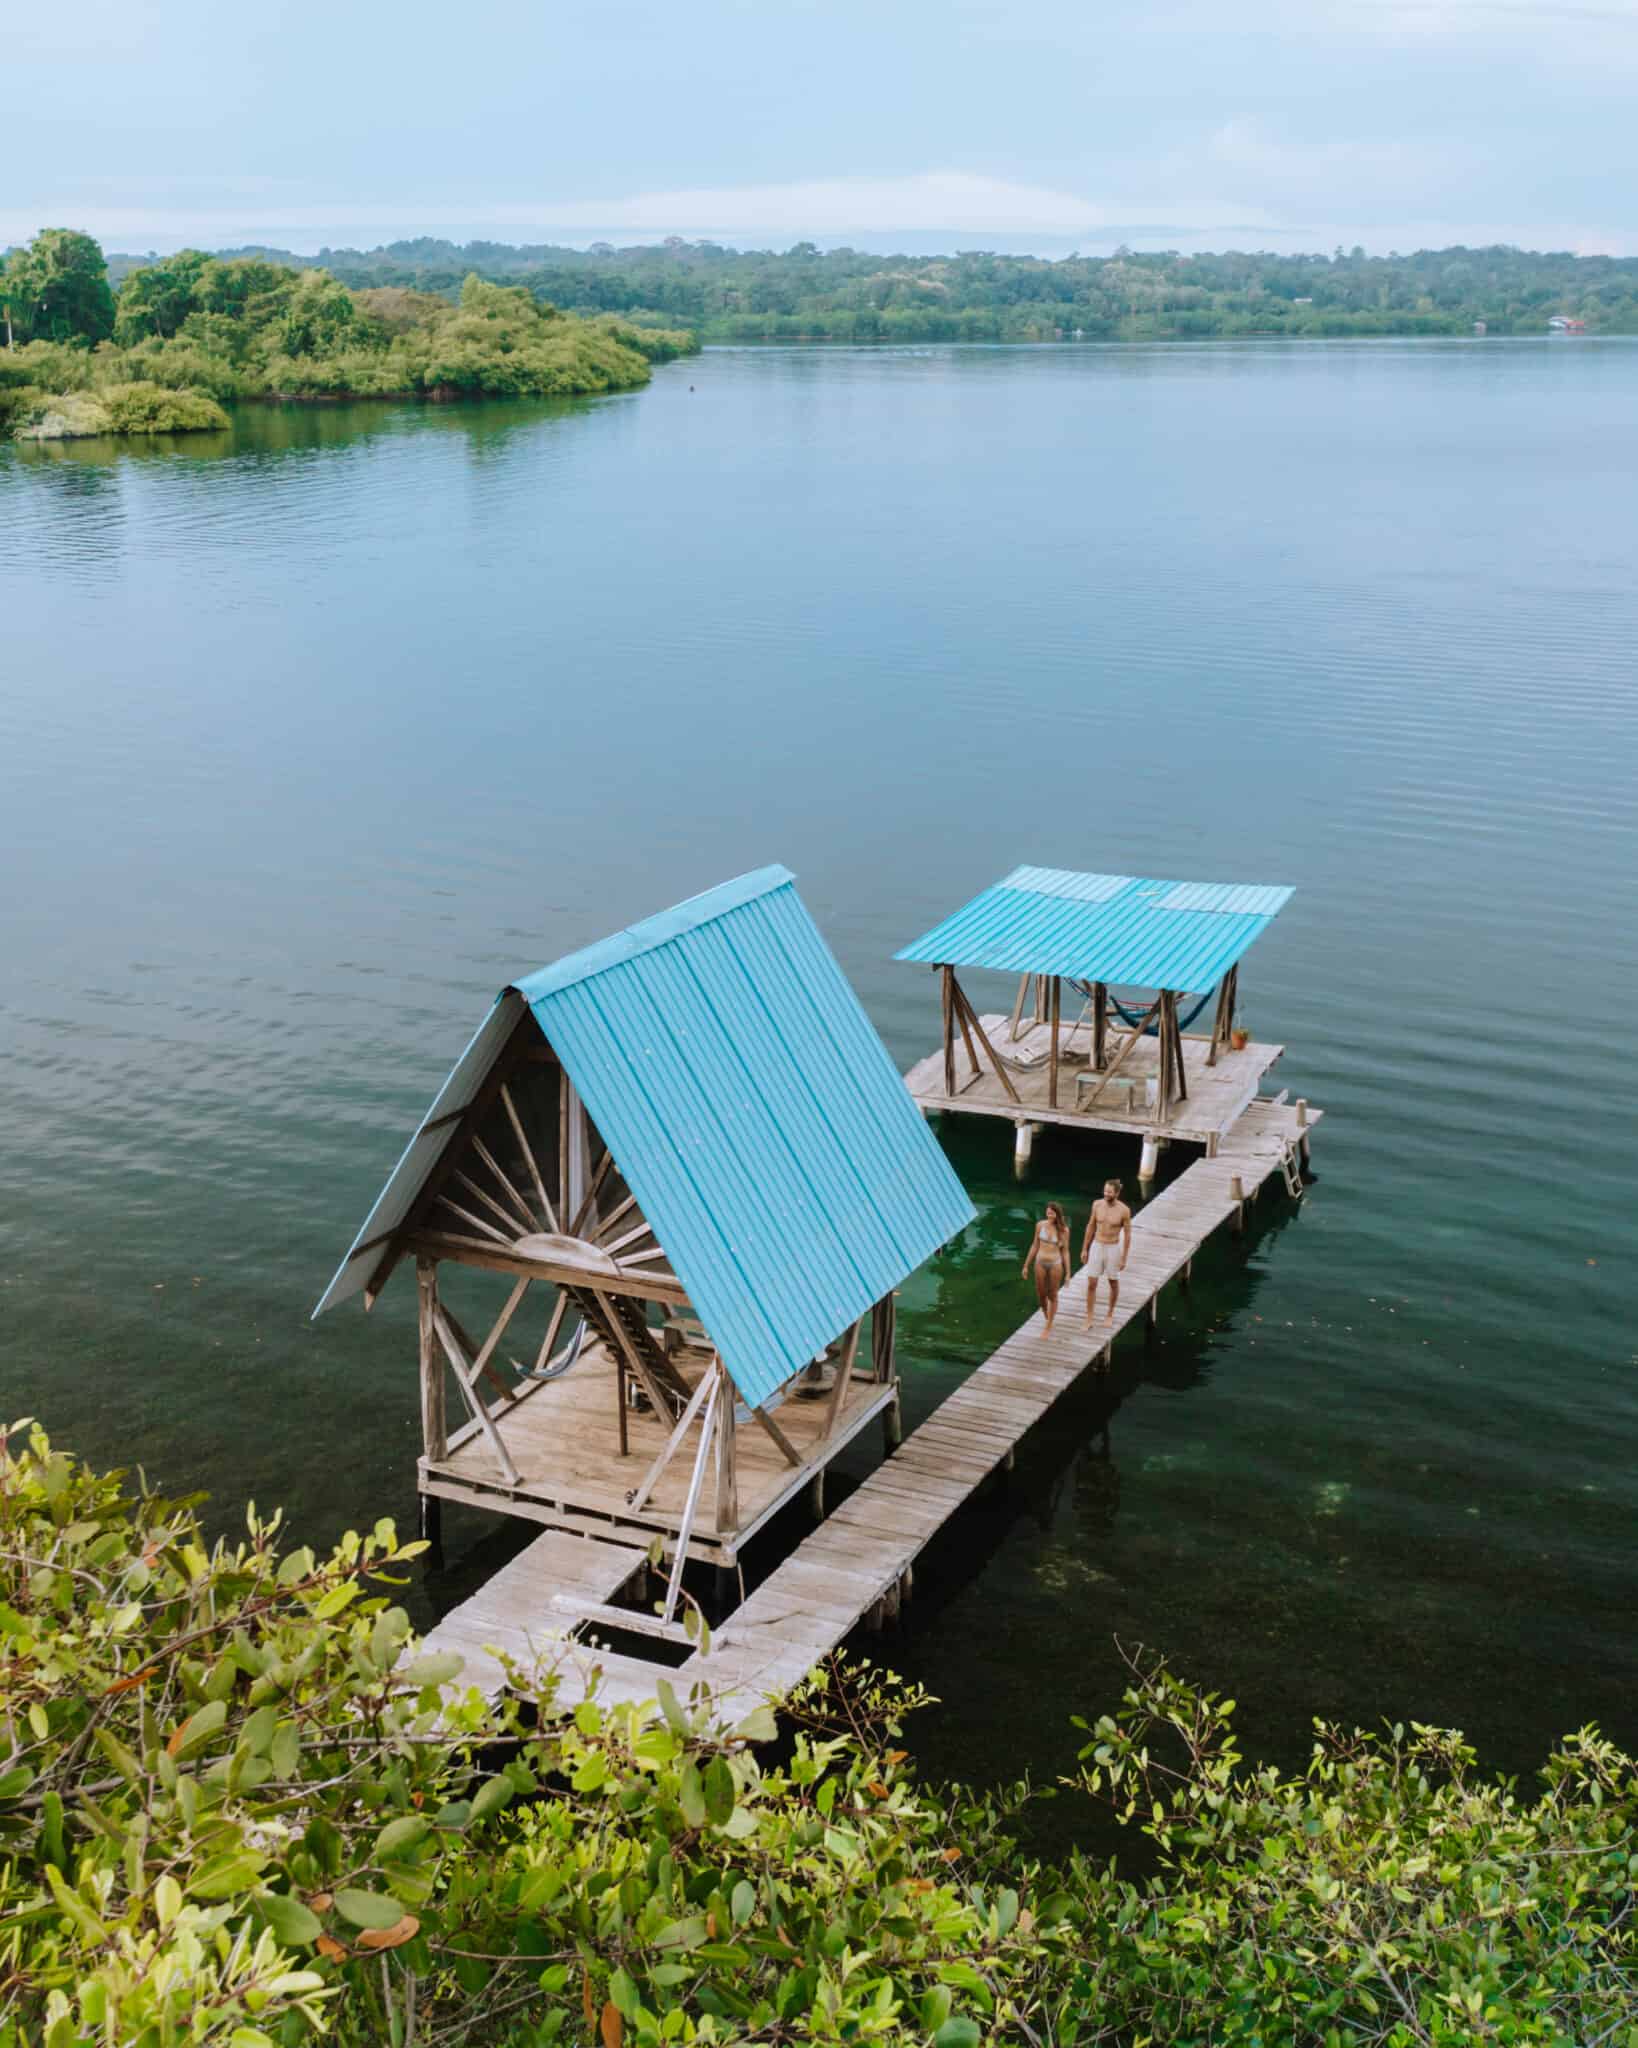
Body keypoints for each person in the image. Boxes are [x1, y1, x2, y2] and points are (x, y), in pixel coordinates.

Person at [1081, 1179, 1132, 1328]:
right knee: (1091, 1282)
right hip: (1097, 1244)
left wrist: (1124, 1257)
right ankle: (1089, 1317)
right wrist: (1085, 1248)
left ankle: (1110, 1314)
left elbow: (1128, 1235)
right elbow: (1090, 1226)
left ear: (1117, 1193)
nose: (1106, 1194)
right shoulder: (1097, 1204)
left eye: (1109, 1192)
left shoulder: (1124, 1210)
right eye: (1105, 1191)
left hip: (1113, 1247)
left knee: (1113, 1281)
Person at [1022, 1201, 1072, 1335]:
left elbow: (1066, 1252)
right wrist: (1026, 1266)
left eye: (1052, 1212)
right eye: (1048, 1212)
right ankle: (1046, 1316)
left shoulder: (1064, 1230)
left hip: (1055, 1263)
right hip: (1040, 1262)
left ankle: (1049, 1324)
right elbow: (1034, 1246)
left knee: (1053, 1294)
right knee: (1041, 1295)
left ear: (1057, 1214)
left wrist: (1068, 1273)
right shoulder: (1040, 1225)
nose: (1049, 1214)